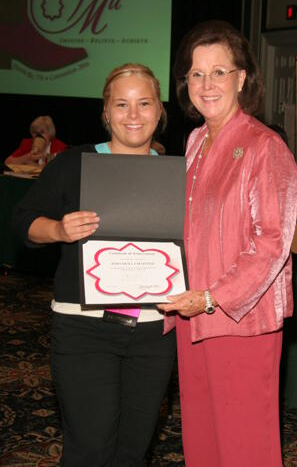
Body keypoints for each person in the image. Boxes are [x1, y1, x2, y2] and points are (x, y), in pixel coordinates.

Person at [13, 64, 176, 466]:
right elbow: (22, 222)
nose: (133, 114)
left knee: (132, 452)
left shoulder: (180, 175)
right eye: (122, 104)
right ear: (106, 112)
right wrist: (59, 229)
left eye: (144, 103)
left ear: (159, 111)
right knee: (90, 450)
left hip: (155, 333)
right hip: (84, 327)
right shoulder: (74, 163)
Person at [159, 20, 297, 466]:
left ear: (242, 78)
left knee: (244, 447)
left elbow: (271, 244)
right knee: (201, 440)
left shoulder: (265, 146)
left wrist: (211, 297)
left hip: (240, 319)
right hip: (192, 314)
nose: (207, 84)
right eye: (196, 74)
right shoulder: (196, 140)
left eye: (219, 72)